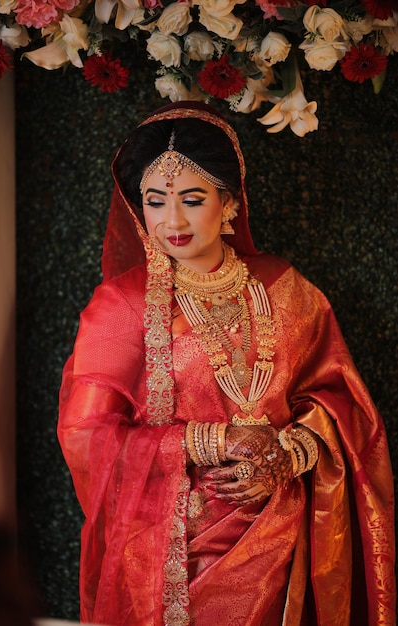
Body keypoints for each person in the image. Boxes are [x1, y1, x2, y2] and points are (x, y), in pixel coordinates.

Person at [58, 102, 396, 626]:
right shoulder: (121, 306)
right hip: (171, 551)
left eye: (192, 200)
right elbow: (87, 434)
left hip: (280, 533)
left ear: (230, 203)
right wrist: (210, 441)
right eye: (155, 202)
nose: (172, 220)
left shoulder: (285, 288)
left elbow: (338, 401)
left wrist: (294, 453)